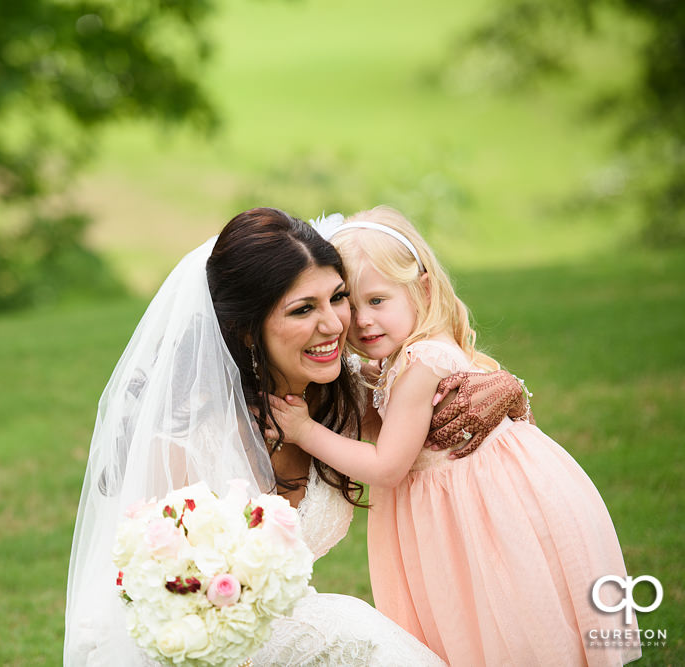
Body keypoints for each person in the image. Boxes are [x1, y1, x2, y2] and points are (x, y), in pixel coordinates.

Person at [64, 207, 523, 666]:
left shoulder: (346, 391)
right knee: (356, 632)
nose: (335, 324)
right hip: (200, 651)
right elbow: (159, 605)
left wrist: (506, 391)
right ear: (247, 330)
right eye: (303, 309)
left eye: (338, 297)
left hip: (308, 638)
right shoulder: (188, 440)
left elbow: (442, 392)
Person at [267, 205, 641, 665]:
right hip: (471, 498)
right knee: (480, 618)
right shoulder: (408, 355)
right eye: (353, 303)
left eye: (378, 301)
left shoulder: (419, 363)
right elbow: (380, 422)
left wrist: (304, 430)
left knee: (497, 614)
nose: (362, 322)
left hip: (479, 506)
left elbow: (386, 466)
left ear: (422, 290)